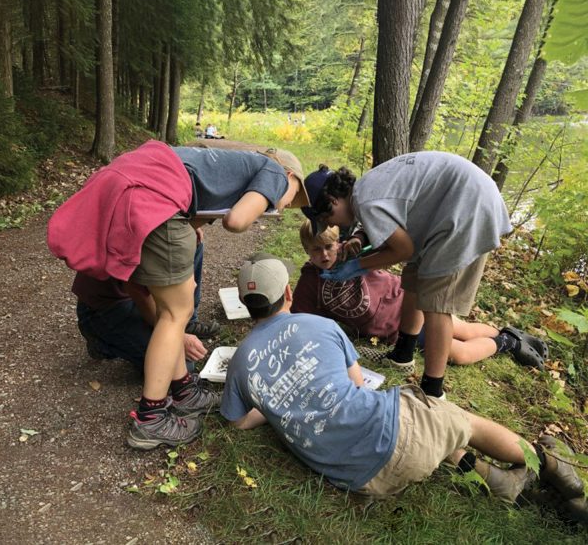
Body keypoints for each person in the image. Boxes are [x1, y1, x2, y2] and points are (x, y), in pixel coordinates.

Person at [221, 253, 586, 514]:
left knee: (429, 433)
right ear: (287, 294)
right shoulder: (321, 325)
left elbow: (238, 421)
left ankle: (500, 481)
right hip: (389, 436)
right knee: (453, 419)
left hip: (358, 479)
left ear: (243, 302)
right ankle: (546, 462)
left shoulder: (239, 361)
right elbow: (359, 382)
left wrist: (277, 403)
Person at [48, 140, 308, 449]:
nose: (285, 206)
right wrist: (267, 201)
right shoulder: (274, 171)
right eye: (293, 198)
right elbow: (236, 221)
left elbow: (196, 195)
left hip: (130, 187)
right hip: (152, 199)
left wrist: (192, 227)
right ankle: (151, 418)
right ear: (290, 174)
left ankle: (184, 390)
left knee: (174, 307)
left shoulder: (222, 164)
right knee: (176, 313)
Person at [299, 153, 512, 399]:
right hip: (454, 204)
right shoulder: (363, 191)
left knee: (436, 302)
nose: (330, 224)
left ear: (332, 200)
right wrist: (360, 238)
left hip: (469, 208)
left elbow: (403, 250)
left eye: (326, 219)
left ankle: (432, 392)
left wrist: (358, 265)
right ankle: (403, 354)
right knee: (413, 278)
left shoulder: (366, 201)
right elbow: (388, 219)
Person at [292, 220, 548, 368]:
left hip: (409, 307)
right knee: (457, 354)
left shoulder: (354, 254)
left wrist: (359, 245)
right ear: (306, 250)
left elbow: (387, 245)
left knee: (465, 329)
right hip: (394, 332)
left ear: (338, 243)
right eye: (315, 250)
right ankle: (509, 342)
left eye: (328, 247)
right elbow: (299, 319)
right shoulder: (309, 282)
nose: (324, 255)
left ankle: (508, 334)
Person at [74, 229, 220, 374]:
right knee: (179, 366)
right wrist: (176, 335)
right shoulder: (140, 237)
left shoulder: (168, 221)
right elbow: (141, 297)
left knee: (193, 242)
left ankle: (186, 322)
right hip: (107, 305)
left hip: (135, 290)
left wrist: (191, 229)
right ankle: (102, 343)